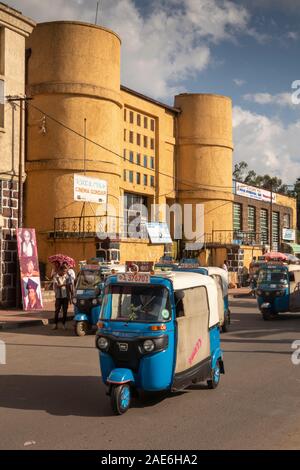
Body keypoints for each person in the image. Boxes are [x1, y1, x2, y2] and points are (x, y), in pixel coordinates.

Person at [52, 266, 74, 330]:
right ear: (60, 271)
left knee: (65, 311)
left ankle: (63, 324)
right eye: (64, 271)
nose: (65, 272)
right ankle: (55, 324)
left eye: (65, 271)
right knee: (57, 311)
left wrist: (71, 295)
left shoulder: (67, 277)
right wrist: (65, 284)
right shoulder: (56, 277)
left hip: (65, 297)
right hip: (58, 297)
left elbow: (70, 286)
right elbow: (57, 285)